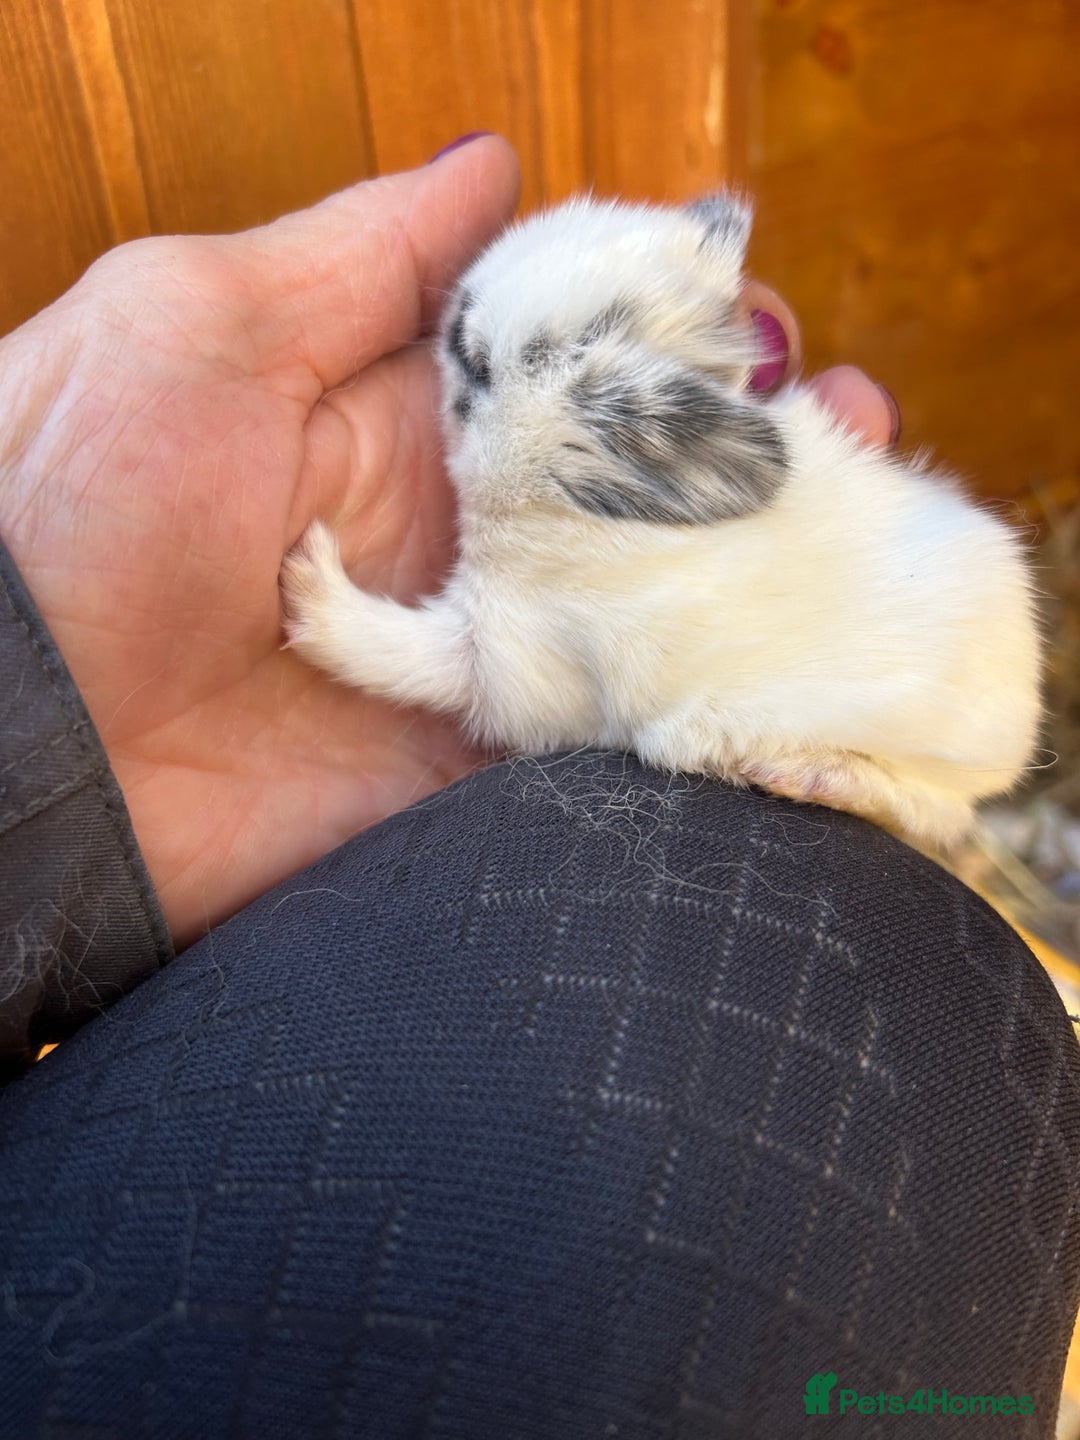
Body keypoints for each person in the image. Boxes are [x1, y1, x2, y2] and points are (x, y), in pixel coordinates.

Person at [0, 134, 1074, 1439]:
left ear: (623, 439)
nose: (453, 407)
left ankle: (903, 787)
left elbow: (490, 673)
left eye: (474, 373)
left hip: (910, 702)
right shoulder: (588, 518)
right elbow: (503, 657)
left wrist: (331, 621)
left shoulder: (624, 555)